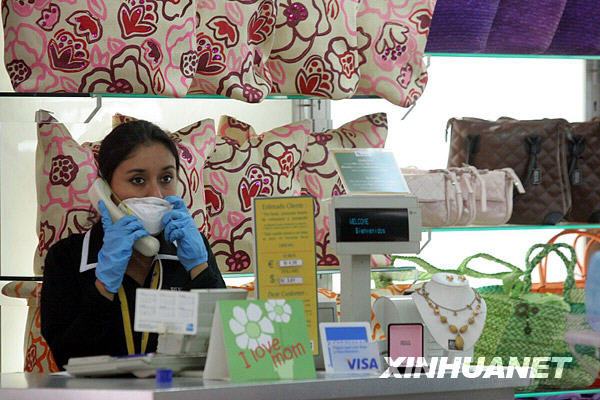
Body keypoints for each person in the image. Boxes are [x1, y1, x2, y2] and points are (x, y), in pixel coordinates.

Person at [41, 120, 225, 369]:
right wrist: (103, 286)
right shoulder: (66, 257)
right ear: (105, 189)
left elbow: (224, 347)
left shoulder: (192, 249)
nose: (156, 194)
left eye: (166, 178)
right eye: (138, 180)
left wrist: (200, 270)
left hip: (177, 389)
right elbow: (67, 358)